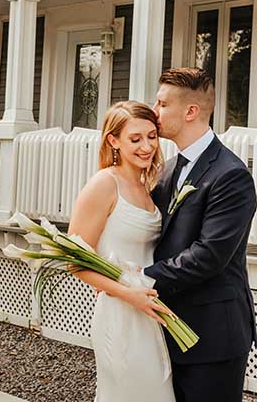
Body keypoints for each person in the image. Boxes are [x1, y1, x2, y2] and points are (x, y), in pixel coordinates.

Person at [144, 67, 257, 402]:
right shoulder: (167, 169)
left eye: (163, 104)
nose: (154, 111)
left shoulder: (231, 175)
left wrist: (140, 277)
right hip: (165, 327)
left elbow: (209, 256)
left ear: (191, 111)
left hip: (211, 334)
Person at [68, 100, 175, 402]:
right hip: (120, 311)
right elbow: (74, 261)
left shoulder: (147, 185)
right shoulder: (104, 184)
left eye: (152, 136)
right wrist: (128, 294)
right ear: (113, 140)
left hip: (149, 309)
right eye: (135, 139)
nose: (147, 146)